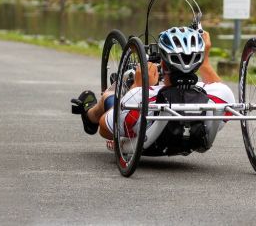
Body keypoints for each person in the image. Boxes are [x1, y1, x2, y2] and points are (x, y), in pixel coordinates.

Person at [71, 28, 235, 152]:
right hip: (194, 139)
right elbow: (217, 86)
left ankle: (89, 115)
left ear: (163, 63)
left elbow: (105, 129)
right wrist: (206, 62)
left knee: (109, 95)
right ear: (198, 62)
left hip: (146, 143)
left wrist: (138, 86)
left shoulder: (141, 97)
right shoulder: (220, 97)